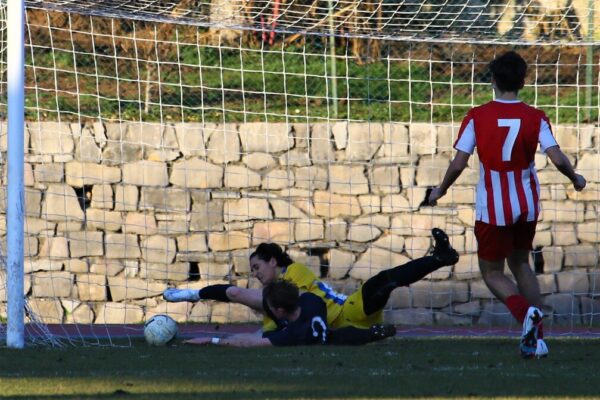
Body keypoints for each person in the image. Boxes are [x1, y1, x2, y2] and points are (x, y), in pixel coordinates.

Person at [427, 51, 586, 359]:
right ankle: (537, 338)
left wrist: (441, 189)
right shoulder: (536, 116)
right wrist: (575, 177)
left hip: (493, 209)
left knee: (491, 273)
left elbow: (460, 162)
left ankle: (526, 314)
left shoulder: (477, 116)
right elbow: (555, 157)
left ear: (494, 80)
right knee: (521, 263)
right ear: (523, 82)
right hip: (526, 204)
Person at [165, 228, 459, 334]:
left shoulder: (294, 274)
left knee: (383, 281)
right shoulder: (274, 301)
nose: (254, 273)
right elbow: (266, 334)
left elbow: (237, 295)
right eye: (251, 270)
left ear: (273, 262)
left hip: (349, 313)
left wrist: (191, 294)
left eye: (257, 267)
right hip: (343, 333)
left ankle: (438, 258)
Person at [184, 279, 397, 347]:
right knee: (336, 335)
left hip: (314, 336)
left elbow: (250, 342)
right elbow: (302, 295)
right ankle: (372, 333)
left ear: (279, 311)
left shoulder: (293, 334)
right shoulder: (311, 301)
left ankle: (371, 334)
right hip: (326, 329)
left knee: (335, 338)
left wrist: (212, 340)